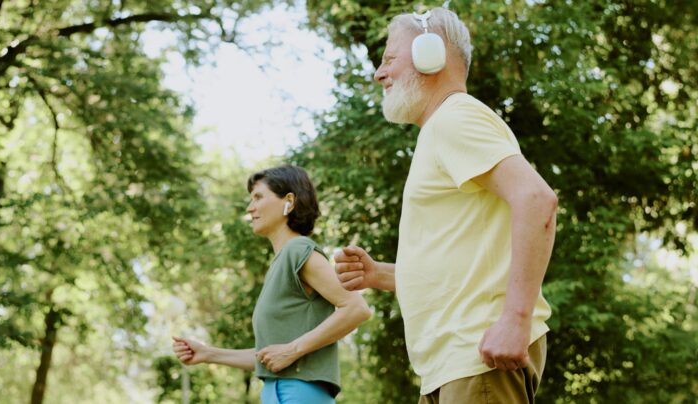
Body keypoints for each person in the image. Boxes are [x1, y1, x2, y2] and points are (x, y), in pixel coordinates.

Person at [334, 7, 558, 403]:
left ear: (429, 54)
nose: (378, 73)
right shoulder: (443, 128)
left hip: (478, 357)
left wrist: (515, 320)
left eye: (389, 59)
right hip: (455, 367)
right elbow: (460, 263)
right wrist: (380, 275)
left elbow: (537, 199)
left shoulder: (456, 118)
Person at [172, 165, 371, 403]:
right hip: (275, 392)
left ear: (289, 201)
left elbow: (356, 308)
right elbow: (269, 357)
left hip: (299, 392)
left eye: (258, 197)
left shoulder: (298, 250)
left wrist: (292, 350)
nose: (250, 208)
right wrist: (208, 354)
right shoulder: (281, 263)